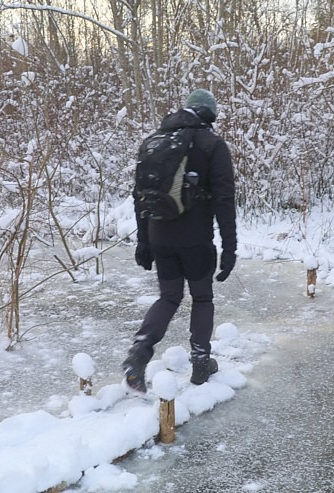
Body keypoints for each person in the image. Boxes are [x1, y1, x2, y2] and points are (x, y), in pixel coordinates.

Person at [123, 88, 237, 393]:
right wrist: (230, 247)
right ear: (209, 115)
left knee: (169, 297)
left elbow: (140, 197)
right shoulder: (212, 144)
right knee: (202, 297)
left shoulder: (153, 142)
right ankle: (201, 362)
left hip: (160, 236)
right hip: (196, 239)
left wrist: (143, 240)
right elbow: (225, 200)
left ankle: (139, 353)